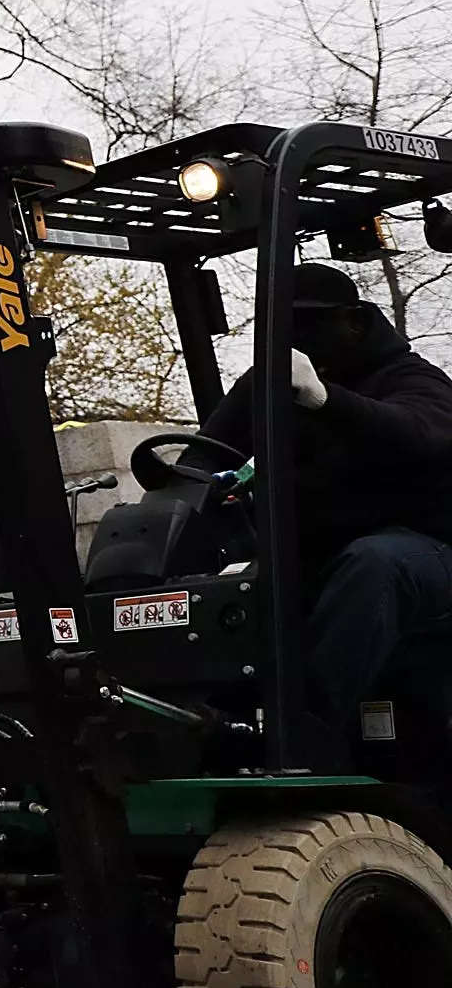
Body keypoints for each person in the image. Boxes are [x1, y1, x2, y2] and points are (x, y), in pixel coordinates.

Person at [193, 261, 452, 758]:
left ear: (354, 322)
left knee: (375, 563)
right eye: (285, 328)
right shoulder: (268, 384)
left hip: (429, 553)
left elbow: (423, 436)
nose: (296, 338)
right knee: (223, 587)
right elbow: (202, 457)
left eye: (308, 324)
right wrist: (191, 489)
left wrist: (324, 399)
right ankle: (206, 726)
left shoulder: (411, 379)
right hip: (315, 556)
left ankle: (303, 736)